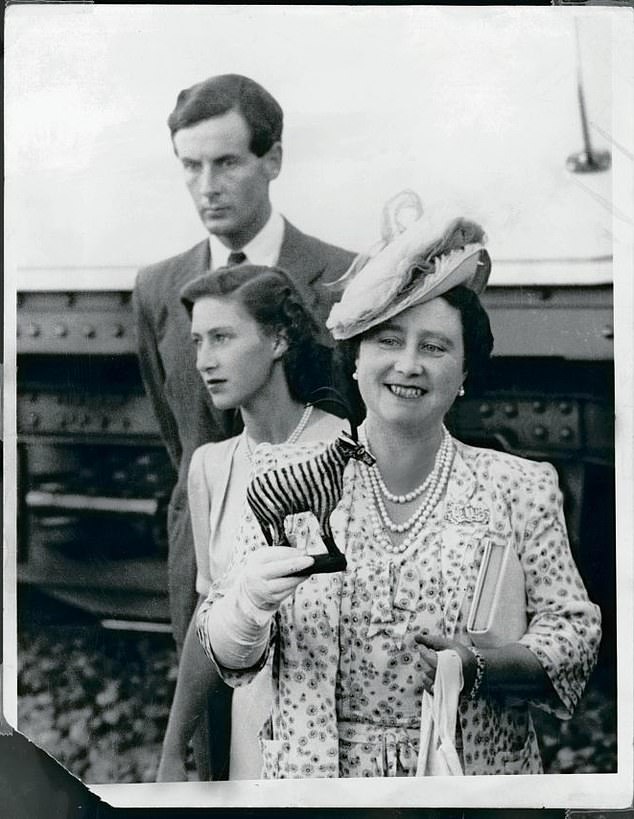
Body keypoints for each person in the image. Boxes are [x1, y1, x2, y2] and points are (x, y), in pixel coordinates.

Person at [196, 194, 602, 777]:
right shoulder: (282, 477)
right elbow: (225, 653)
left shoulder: (519, 486)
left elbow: (575, 633)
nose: (408, 364)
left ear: (463, 375)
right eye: (388, 341)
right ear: (356, 360)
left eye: (434, 347)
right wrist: (246, 608)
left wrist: (480, 664)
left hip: (468, 781)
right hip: (319, 788)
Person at [132, 74, 354, 777]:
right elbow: (179, 427)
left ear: (273, 160)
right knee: (217, 753)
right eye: (190, 166)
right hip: (203, 561)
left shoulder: (339, 275)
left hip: (322, 565)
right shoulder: (159, 287)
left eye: (226, 162)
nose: (206, 185)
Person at [156, 265, 349, 781]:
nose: (204, 362)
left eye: (222, 338)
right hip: (253, 736)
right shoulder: (210, 467)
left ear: (279, 339)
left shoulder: (348, 448)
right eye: (197, 342)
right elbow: (207, 620)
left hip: (342, 742)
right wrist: (174, 750)